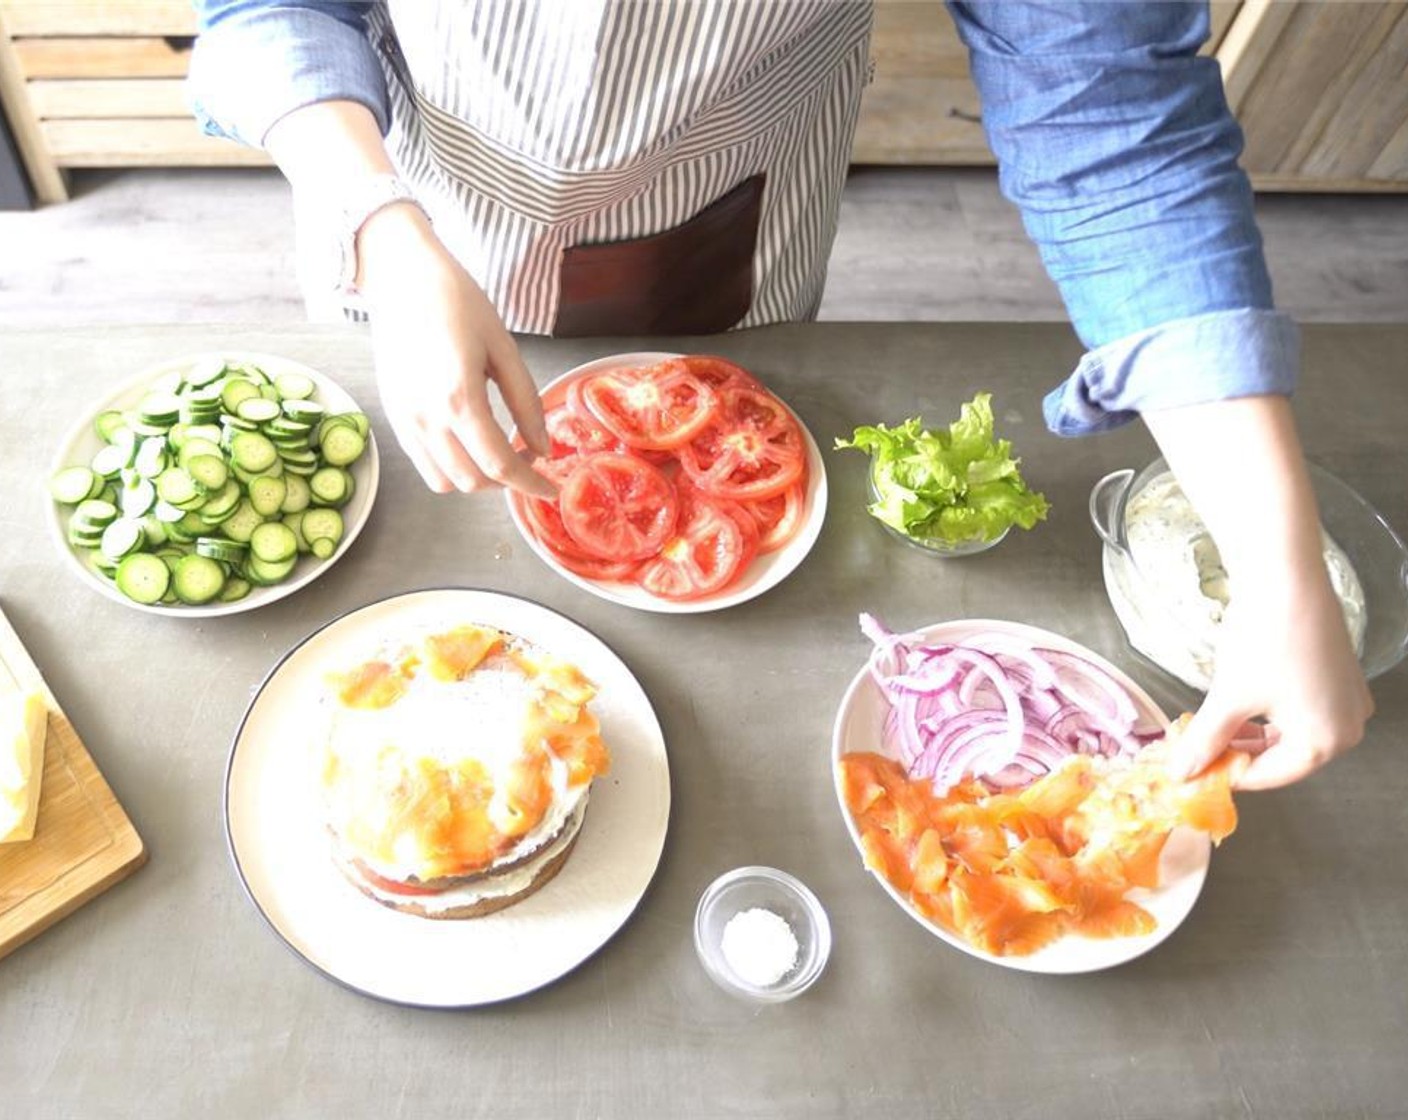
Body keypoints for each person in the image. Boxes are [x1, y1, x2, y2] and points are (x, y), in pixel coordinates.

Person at [188, 0, 1372, 790]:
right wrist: (381, 229)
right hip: (402, 177)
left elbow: (1116, 123)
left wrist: (1277, 569)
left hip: (725, 179)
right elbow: (266, 8)